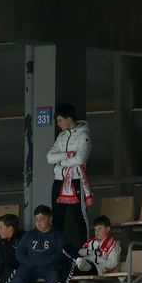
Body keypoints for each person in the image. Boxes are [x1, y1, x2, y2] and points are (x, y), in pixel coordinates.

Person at [45, 103, 92, 251]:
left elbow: (79, 159)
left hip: (76, 180)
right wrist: (67, 155)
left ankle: (85, 249)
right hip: (59, 181)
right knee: (57, 218)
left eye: (59, 120)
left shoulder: (84, 135)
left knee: (79, 217)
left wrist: (61, 162)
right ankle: (57, 250)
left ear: (68, 119)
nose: (58, 124)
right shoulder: (61, 136)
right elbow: (49, 157)